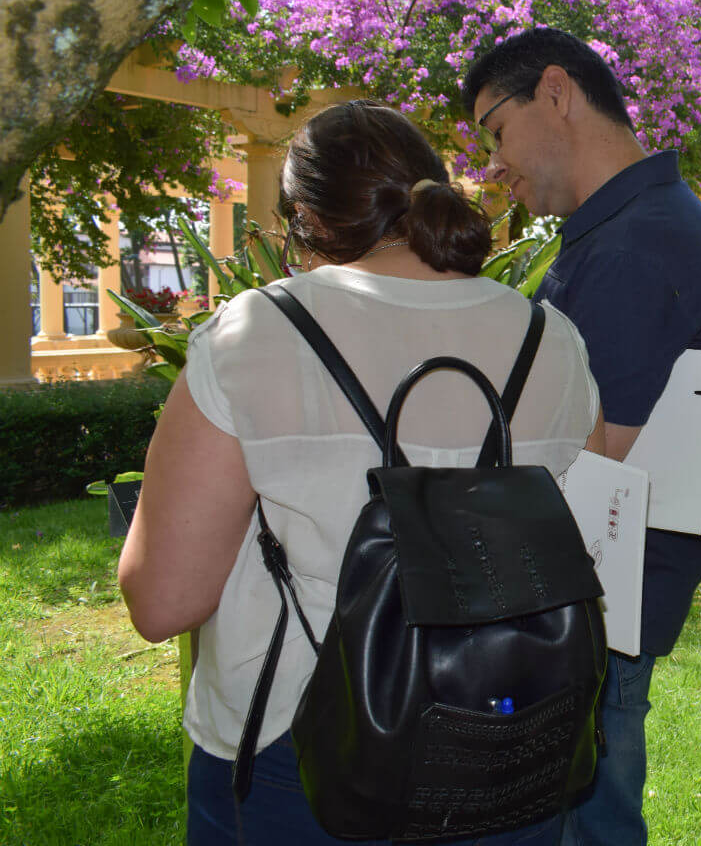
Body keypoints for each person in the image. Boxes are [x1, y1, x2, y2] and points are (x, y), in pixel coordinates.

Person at [118, 100, 605, 845]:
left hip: (301, 753)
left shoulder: (253, 335)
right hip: (513, 738)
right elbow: (591, 543)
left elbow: (162, 602)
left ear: (307, 219)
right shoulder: (553, 339)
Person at [461, 27, 701, 846]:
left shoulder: (640, 240)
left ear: (556, 92)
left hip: (591, 599)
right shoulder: (621, 227)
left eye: (496, 131)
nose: (494, 164)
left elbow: (593, 452)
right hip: (586, 593)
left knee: (580, 824)